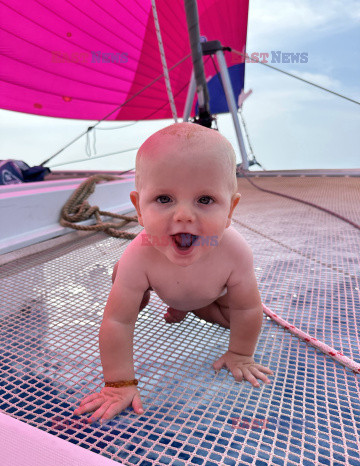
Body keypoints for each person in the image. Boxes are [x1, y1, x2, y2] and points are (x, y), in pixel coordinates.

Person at [74, 122, 273, 423]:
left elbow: (248, 307)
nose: (183, 216)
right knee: (123, 281)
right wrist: (119, 384)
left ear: (230, 210)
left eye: (205, 200)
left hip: (211, 296)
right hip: (159, 283)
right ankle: (163, 299)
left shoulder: (235, 253)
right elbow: (116, 321)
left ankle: (186, 307)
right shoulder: (138, 256)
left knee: (239, 320)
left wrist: (241, 353)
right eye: (164, 199)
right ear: (139, 208)